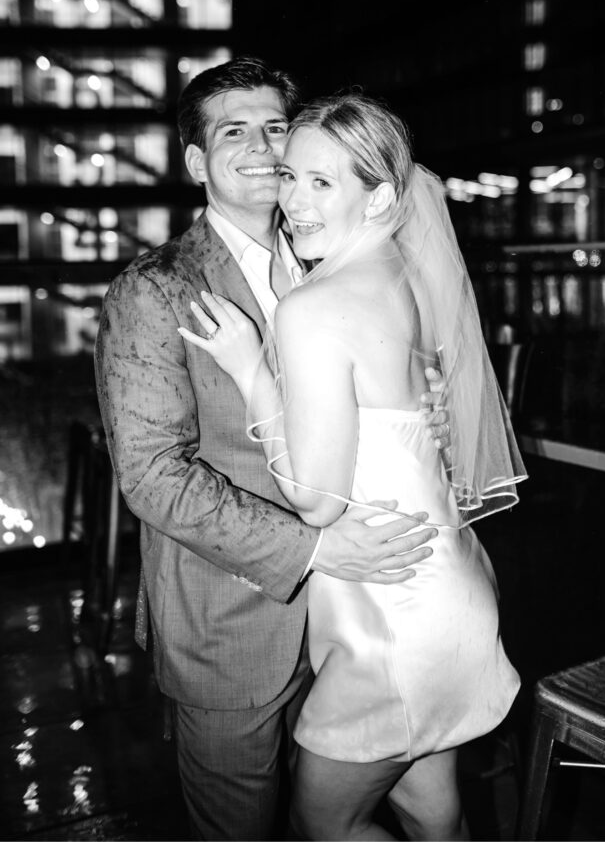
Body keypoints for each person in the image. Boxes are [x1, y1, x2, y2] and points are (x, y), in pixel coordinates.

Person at [94, 58, 445, 842]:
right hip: (230, 630)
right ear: (196, 161)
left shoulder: (340, 254)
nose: (259, 146)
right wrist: (316, 548)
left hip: (361, 618)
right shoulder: (153, 290)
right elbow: (153, 478)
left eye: (276, 128)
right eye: (231, 132)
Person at [180, 91, 528, 840]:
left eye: (320, 183)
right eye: (291, 177)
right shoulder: (403, 277)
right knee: (432, 810)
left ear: (379, 198)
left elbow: (316, 503)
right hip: (445, 590)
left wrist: (251, 373)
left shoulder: (314, 308)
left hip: (393, 622)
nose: (292, 202)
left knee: (324, 826)